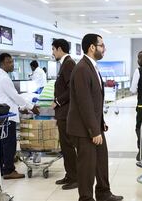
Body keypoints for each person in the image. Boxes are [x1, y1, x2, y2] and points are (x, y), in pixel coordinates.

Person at [67, 34, 123, 201]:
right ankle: (86, 198)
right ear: (92, 47)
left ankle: (103, 193)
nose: (104, 48)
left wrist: (100, 123)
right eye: (101, 45)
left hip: (93, 126)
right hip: (83, 130)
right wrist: (93, 131)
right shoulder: (82, 68)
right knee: (87, 167)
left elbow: (94, 100)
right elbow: (84, 103)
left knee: (101, 161)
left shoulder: (92, 66)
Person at [0, 53, 40, 180]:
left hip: (0, 115)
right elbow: (15, 96)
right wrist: (30, 107)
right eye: (9, 62)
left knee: (1, 143)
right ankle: (8, 170)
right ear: (2, 63)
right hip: (7, 116)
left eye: (12, 61)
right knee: (9, 144)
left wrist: (21, 109)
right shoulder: (4, 78)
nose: (12, 64)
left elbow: (7, 98)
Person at [52, 39, 78, 190]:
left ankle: (75, 177)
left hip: (66, 112)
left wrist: (58, 101)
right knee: (65, 146)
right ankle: (70, 174)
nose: (52, 53)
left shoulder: (68, 64)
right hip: (63, 112)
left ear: (60, 49)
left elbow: (71, 88)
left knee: (67, 145)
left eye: (53, 49)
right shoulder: (65, 63)